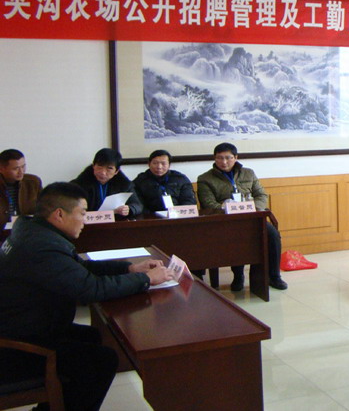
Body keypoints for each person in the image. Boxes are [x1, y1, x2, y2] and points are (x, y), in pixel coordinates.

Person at [0, 182, 174, 411]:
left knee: (92, 336)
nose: (85, 220)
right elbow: (90, 288)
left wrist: (130, 269)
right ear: (59, 214)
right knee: (102, 360)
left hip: (25, 324)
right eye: (82, 213)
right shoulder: (43, 247)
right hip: (16, 345)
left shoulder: (32, 230)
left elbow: (79, 269)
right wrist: (147, 280)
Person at [196, 142, 287, 291]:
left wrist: (255, 208)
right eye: (219, 158)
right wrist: (227, 208)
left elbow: (261, 194)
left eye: (228, 158)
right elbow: (208, 204)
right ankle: (238, 275)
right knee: (236, 237)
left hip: (251, 218)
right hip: (224, 221)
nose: (224, 162)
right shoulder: (205, 178)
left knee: (272, 234)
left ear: (235, 157)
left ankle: (274, 276)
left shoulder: (248, 173)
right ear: (214, 158)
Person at [71, 148, 143, 216]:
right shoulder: (79, 184)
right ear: (93, 166)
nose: (103, 172)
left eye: (109, 168)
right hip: (88, 222)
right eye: (100, 166)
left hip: (114, 222)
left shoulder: (124, 184)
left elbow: (138, 205)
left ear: (116, 171)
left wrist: (129, 209)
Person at [0, 148, 42, 225]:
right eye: (15, 169)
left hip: (27, 227)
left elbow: (44, 208)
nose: (21, 172)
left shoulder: (33, 182)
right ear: (1, 169)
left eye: (23, 167)